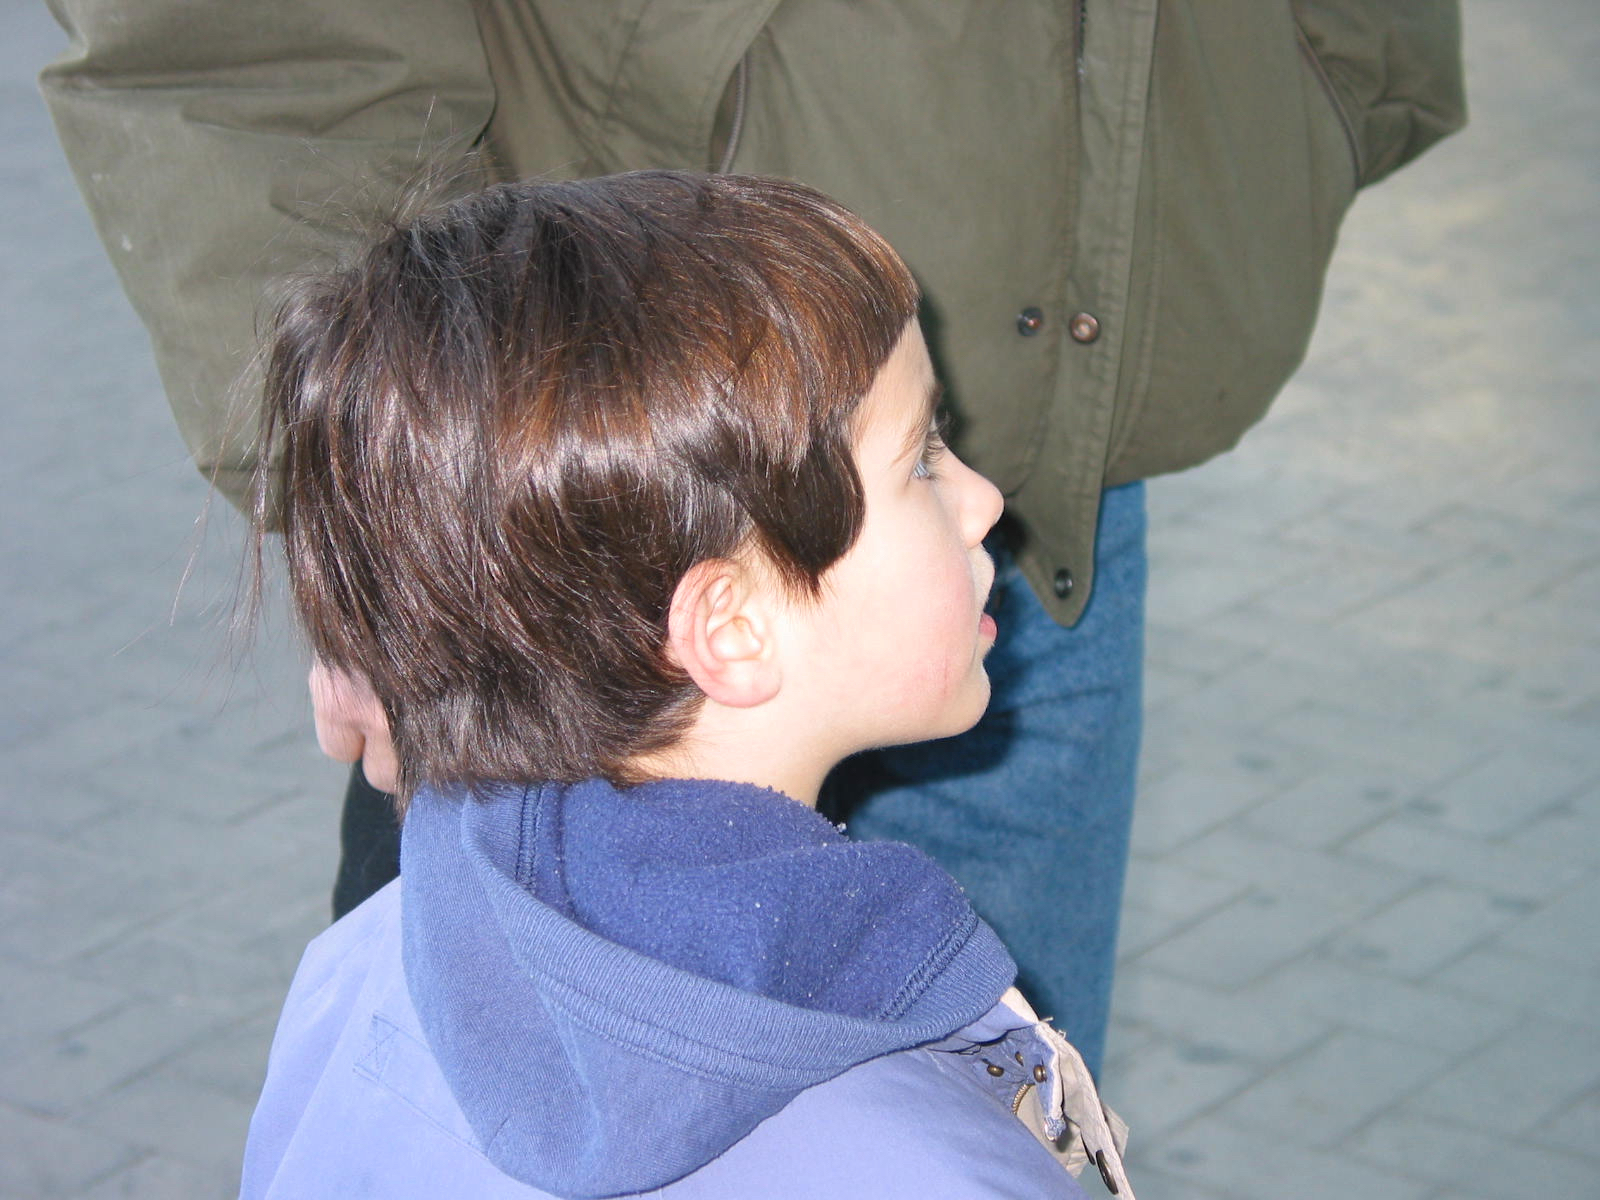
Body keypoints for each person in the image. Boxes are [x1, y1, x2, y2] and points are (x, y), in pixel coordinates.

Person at [40, 0, 1465, 1076]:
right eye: (930, 466)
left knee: (984, 1090)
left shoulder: (986, 526)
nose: (975, 497)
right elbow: (242, 46)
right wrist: (383, 497)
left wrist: (1332, 78)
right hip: (595, 540)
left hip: (1060, 495)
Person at [240, 170, 1134, 1200]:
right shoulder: (931, 1164)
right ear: (732, 627)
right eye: (923, 461)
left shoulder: (360, 968)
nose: (982, 499)